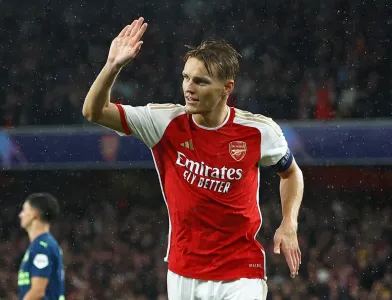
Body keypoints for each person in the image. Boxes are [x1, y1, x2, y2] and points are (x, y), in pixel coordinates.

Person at [83, 17, 304, 300]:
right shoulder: (163, 122)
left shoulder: (259, 132)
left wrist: (289, 223)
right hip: (183, 271)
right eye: (186, 78)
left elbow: (291, 173)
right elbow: (94, 111)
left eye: (200, 81)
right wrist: (112, 66)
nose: (189, 87)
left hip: (240, 272)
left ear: (227, 88)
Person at [18, 193, 65, 300]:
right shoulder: (42, 244)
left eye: (24, 210)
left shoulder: (42, 246)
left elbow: (37, 292)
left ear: (34, 214)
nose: (20, 214)